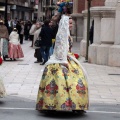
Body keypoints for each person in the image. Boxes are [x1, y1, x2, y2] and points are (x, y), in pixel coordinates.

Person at [36, 3, 89, 113]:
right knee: (62, 81)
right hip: (61, 60)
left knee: (77, 81)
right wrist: (63, 61)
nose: (71, 25)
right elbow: (59, 49)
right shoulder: (61, 35)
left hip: (68, 58)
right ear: (64, 23)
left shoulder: (68, 35)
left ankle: (77, 104)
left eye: (71, 23)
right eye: (69, 23)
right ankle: (54, 104)